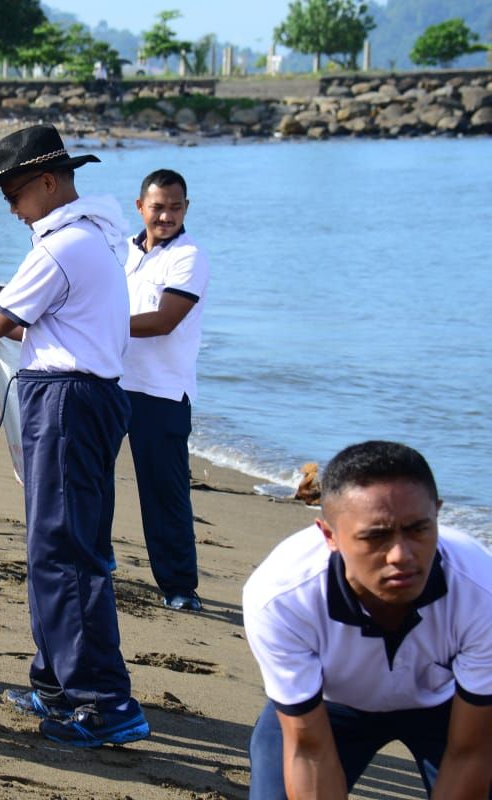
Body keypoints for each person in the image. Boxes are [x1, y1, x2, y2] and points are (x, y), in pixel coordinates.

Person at [0, 124, 150, 748]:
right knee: (64, 544)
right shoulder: (93, 236)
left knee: (65, 551)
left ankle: (103, 702)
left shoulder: (62, 245)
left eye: (14, 194)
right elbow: (29, 320)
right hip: (86, 395)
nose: (13, 210)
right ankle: (57, 682)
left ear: (48, 182)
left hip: (69, 401)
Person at [244, 441, 492, 798]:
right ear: (329, 535)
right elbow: (311, 750)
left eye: (418, 529)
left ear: (437, 514)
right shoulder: (281, 597)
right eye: (376, 535)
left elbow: (470, 753)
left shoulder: (480, 589)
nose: (401, 555)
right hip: (329, 705)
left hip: (448, 705)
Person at [121, 168, 210, 611]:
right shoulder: (125, 251)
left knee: (165, 494)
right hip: (112, 381)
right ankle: (97, 560)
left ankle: (179, 586)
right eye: (158, 207)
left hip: (163, 393)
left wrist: (97, 328)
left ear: (186, 208)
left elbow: (164, 320)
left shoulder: (190, 256)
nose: (166, 215)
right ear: (140, 208)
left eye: (175, 207)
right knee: (92, 480)